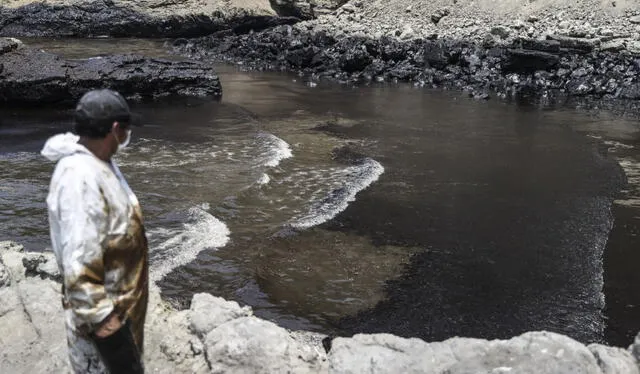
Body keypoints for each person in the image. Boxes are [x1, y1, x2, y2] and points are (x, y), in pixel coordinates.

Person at [41, 89, 148, 374]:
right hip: (103, 329)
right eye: (125, 129)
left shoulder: (98, 161)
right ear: (115, 130)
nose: (127, 136)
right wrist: (108, 327)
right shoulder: (80, 179)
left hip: (119, 313)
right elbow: (79, 266)